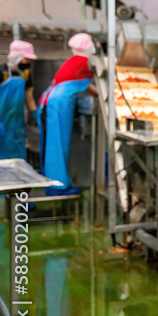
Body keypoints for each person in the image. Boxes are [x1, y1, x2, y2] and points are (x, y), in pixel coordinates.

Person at [38, 33, 99, 195]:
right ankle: (57, 187)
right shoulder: (85, 62)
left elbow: (87, 86)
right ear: (89, 46)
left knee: (53, 146)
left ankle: (54, 184)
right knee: (57, 146)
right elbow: (100, 78)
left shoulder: (74, 61)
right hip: (57, 106)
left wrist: (98, 94)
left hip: (51, 104)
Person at [0, 40, 39, 160]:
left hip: (17, 124)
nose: (28, 63)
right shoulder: (1, 72)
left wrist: (36, 115)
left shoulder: (26, 74)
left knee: (17, 157)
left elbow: (29, 98)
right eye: (26, 59)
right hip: (1, 122)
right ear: (16, 57)